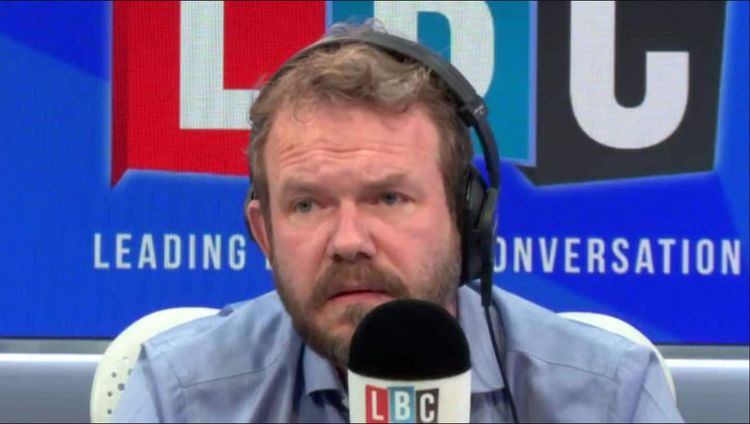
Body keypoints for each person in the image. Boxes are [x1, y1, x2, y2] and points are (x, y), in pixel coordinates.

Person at [112, 23, 683, 423]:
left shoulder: (610, 395)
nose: (349, 242)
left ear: (464, 217)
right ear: (264, 233)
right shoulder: (179, 396)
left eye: (388, 198)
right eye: (307, 205)